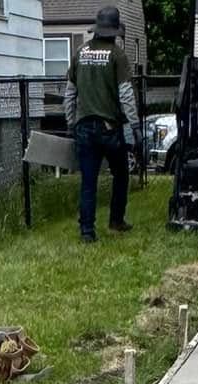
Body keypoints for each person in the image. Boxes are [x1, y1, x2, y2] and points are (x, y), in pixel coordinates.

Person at [64, 7, 136, 243]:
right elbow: (126, 95)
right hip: (109, 128)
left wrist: (70, 122)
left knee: (88, 181)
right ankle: (116, 220)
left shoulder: (80, 52)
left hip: (83, 127)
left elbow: (69, 93)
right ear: (114, 32)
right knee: (121, 174)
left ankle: (87, 231)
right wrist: (134, 125)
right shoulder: (117, 55)